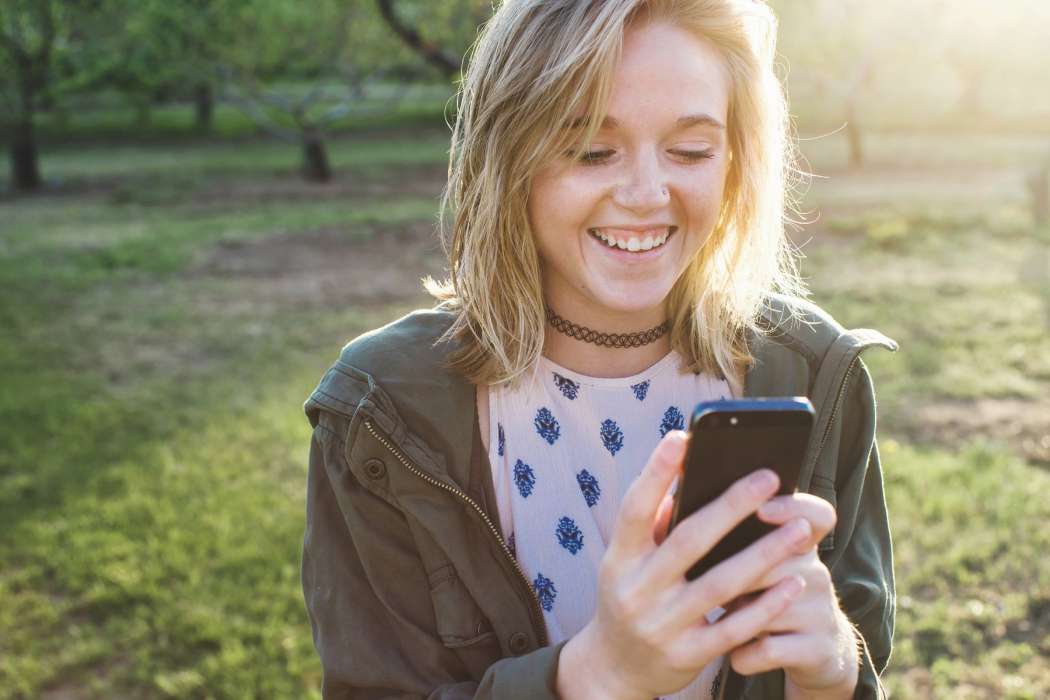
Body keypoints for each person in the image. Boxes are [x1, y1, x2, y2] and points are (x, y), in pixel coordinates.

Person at [300, 1, 899, 698]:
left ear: (736, 160)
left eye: (690, 150)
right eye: (591, 149)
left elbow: (862, 655)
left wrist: (832, 680)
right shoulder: (382, 411)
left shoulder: (816, 372)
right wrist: (598, 674)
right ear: (509, 155)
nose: (648, 194)